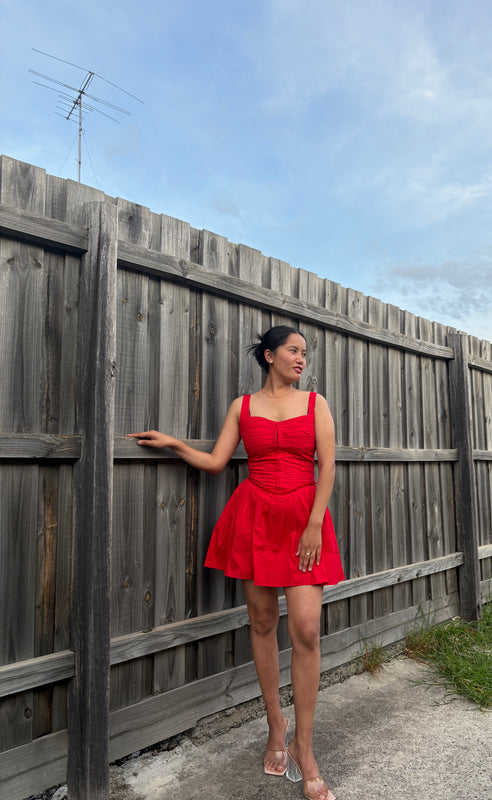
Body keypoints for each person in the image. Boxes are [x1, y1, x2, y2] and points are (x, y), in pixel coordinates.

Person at [127, 325, 344, 800]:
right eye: (293, 350)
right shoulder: (242, 407)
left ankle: (305, 749)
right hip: (257, 516)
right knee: (262, 623)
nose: (301, 359)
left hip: (303, 520)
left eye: (305, 353)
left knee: (306, 629)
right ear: (269, 356)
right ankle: (275, 725)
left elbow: (326, 465)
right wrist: (175, 444)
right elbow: (216, 462)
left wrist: (313, 524)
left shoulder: (316, 404)